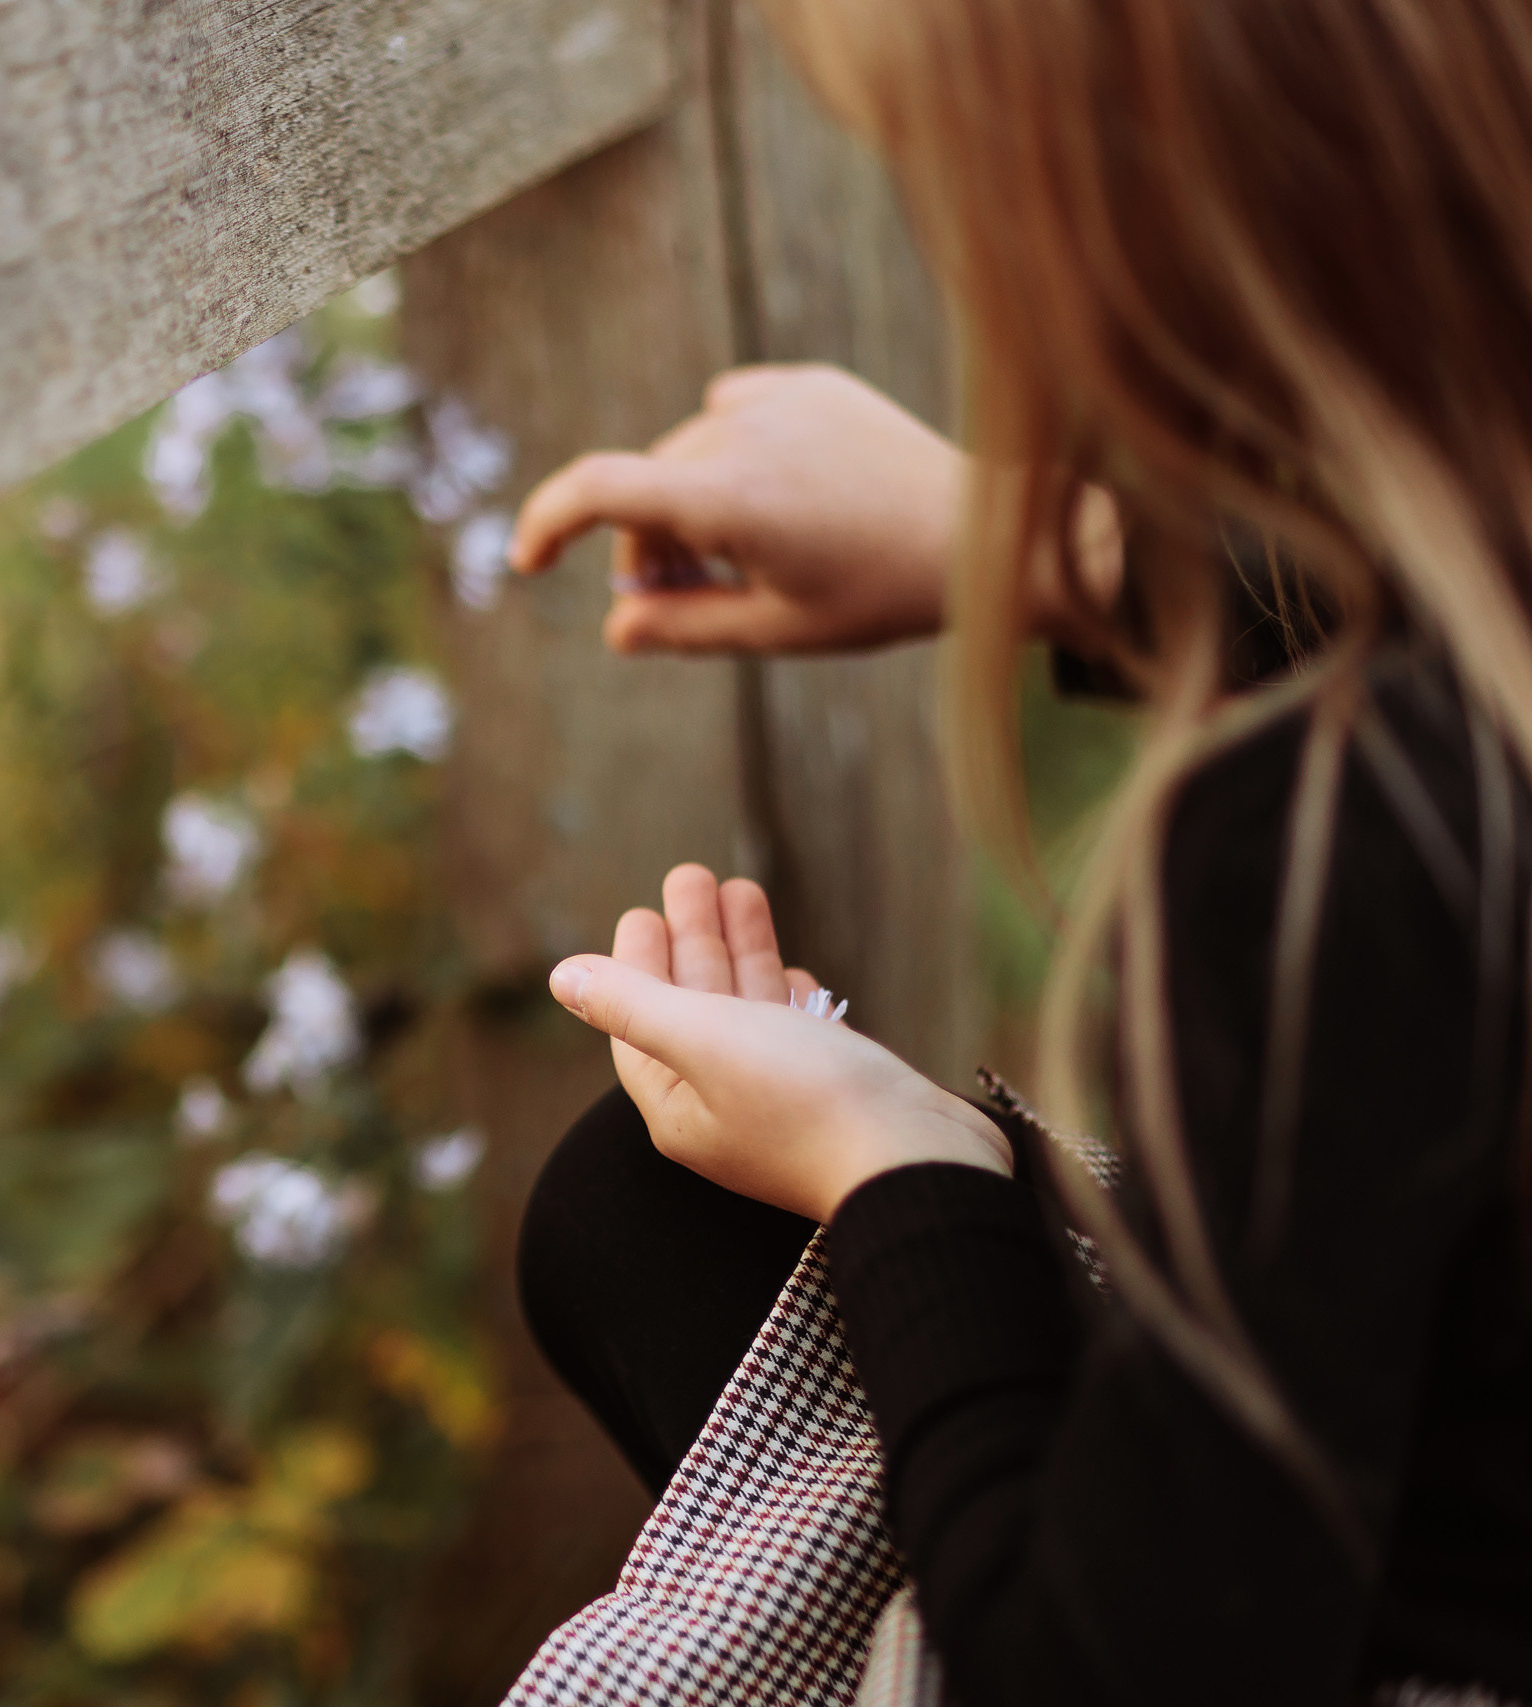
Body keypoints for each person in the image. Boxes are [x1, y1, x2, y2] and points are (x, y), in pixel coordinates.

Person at [501, 3, 1532, 1703]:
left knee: (657, 1215)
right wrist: (1042, 546)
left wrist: (893, 1161)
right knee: (638, 1213)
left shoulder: (1329, 856)